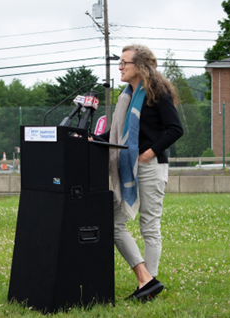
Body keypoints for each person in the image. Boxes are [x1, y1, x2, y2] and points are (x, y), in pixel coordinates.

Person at [93, 44, 183, 301]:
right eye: (119, 63)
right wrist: (90, 139)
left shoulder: (158, 93)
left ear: (140, 66)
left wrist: (150, 152)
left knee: (149, 227)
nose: (120, 67)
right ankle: (147, 279)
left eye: (124, 63)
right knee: (112, 222)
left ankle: (148, 288)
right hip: (127, 167)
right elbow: (114, 133)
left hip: (150, 166)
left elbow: (175, 129)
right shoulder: (125, 96)